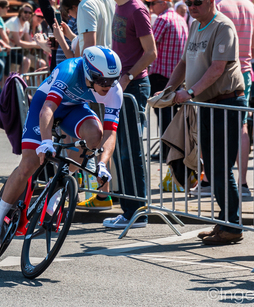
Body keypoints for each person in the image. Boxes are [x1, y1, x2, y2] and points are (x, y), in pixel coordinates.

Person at [0, 46, 123, 249]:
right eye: (102, 81)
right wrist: (46, 143)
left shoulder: (113, 90)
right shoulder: (69, 71)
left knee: (95, 135)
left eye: (112, 80)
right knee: (29, 164)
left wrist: (102, 164)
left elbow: (111, 133)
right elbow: (48, 109)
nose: (108, 86)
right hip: (45, 105)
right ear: (89, 73)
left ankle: (57, 186)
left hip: (74, 109)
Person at [161, 0, 246, 245]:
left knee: (220, 167)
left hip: (226, 104)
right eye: (188, 2)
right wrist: (168, 90)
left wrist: (189, 92)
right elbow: (184, 63)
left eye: (197, 2)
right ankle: (225, 222)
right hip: (208, 104)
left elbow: (218, 69)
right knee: (213, 166)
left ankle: (232, 224)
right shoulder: (196, 25)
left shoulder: (223, 26)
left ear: (211, 1)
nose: (192, 6)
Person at [98, 0, 156, 227]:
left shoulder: (137, 9)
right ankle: (131, 211)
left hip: (133, 86)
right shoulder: (121, 7)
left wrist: (128, 76)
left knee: (130, 151)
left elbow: (151, 52)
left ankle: (137, 212)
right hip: (122, 85)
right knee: (122, 149)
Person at [214, 0, 254, 198]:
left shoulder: (220, 5)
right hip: (245, 71)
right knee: (242, 126)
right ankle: (242, 183)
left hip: (224, 72)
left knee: (214, 125)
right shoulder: (250, 6)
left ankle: (211, 179)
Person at [147, 0, 188, 162]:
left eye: (153, 3)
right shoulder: (179, 18)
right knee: (170, 117)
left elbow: (149, 45)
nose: (151, 8)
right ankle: (171, 151)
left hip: (161, 76)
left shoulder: (163, 19)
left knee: (164, 116)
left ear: (164, 3)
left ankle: (167, 152)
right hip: (176, 77)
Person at [5, 4, 45, 70]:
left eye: (30, 13)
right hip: (6, 51)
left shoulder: (26, 24)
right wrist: (37, 44)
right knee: (22, 64)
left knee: (40, 63)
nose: (27, 14)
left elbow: (28, 41)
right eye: (25, 12)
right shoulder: (14, 22)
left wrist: (37, 44)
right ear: (20, 12)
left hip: (14, 52)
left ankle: (20, 80)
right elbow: (19, 42)